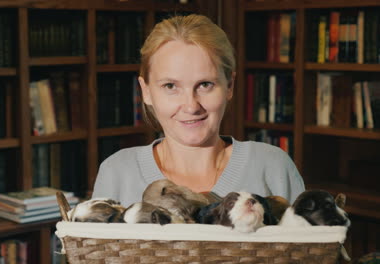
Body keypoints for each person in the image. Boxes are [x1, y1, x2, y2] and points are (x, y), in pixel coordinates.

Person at [92, 14, 304, 206]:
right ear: (146, 91)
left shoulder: (272, 166)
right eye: (170, 86)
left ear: (230, 85)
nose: (191, 106)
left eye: (205, 85)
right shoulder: (116, 172)